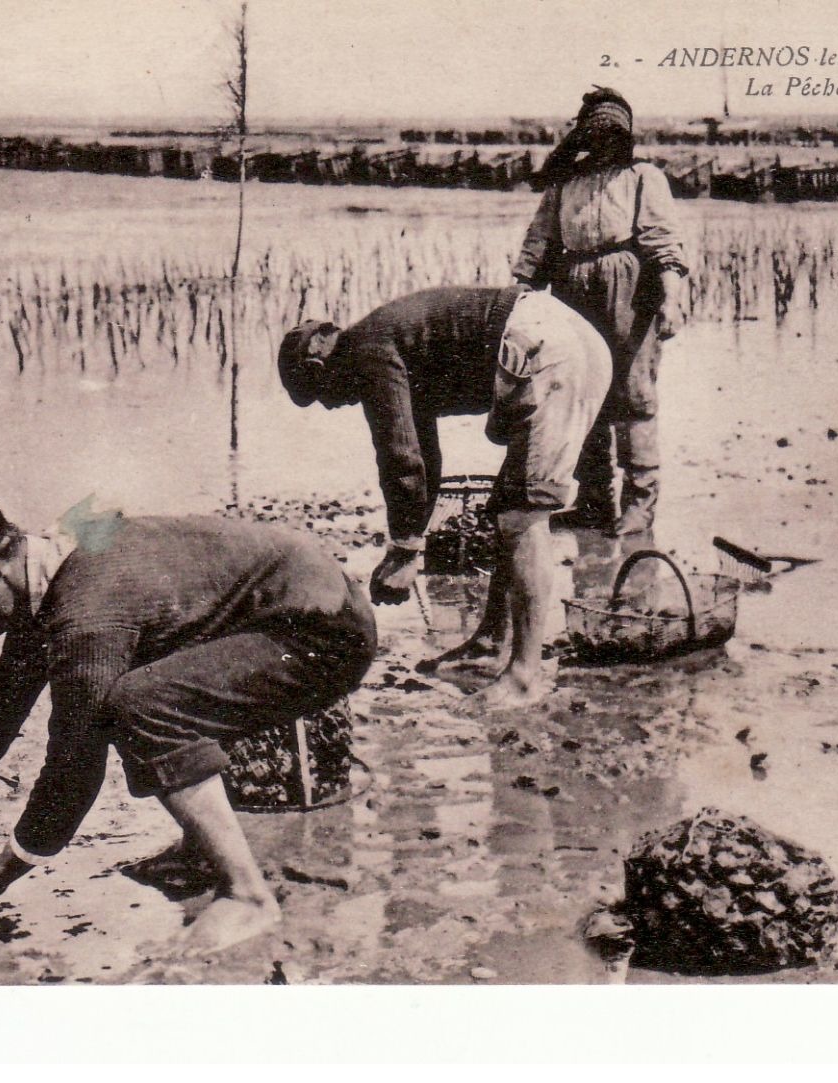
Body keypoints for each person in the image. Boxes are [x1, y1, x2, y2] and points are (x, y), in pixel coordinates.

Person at [0, 498, 376, 954]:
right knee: (149, 684)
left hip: (323, 630)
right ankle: (203, 850)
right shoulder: (50, 559)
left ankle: (247, 896)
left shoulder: (86, 613)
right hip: (289, 604)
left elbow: (74, 766)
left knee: (139, 705)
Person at [278, 285, 610, 707]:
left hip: (547, 352)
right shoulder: (386, 339)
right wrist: (408, 541)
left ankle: (525, 676)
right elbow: (422, 455)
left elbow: (400, 457)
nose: (330, 407)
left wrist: (404, 551)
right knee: (508, 506)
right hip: (558, 338)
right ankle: (491, 643)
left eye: (319, 395)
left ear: (318, 363)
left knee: (523, 517)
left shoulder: (366, 350)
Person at [513, 87, 689, 536]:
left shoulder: (643, 177)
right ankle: (594, 502)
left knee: (632, 394)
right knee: (582, 391)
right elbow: (539, 241)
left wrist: (671, 297)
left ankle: (640, 505)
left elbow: (663, 242)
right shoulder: (564, 183)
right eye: (595, 131)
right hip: (573, 287)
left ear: (626, 135)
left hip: (629, 288)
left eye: (613, 132)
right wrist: (521, 293)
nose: (604, 140)